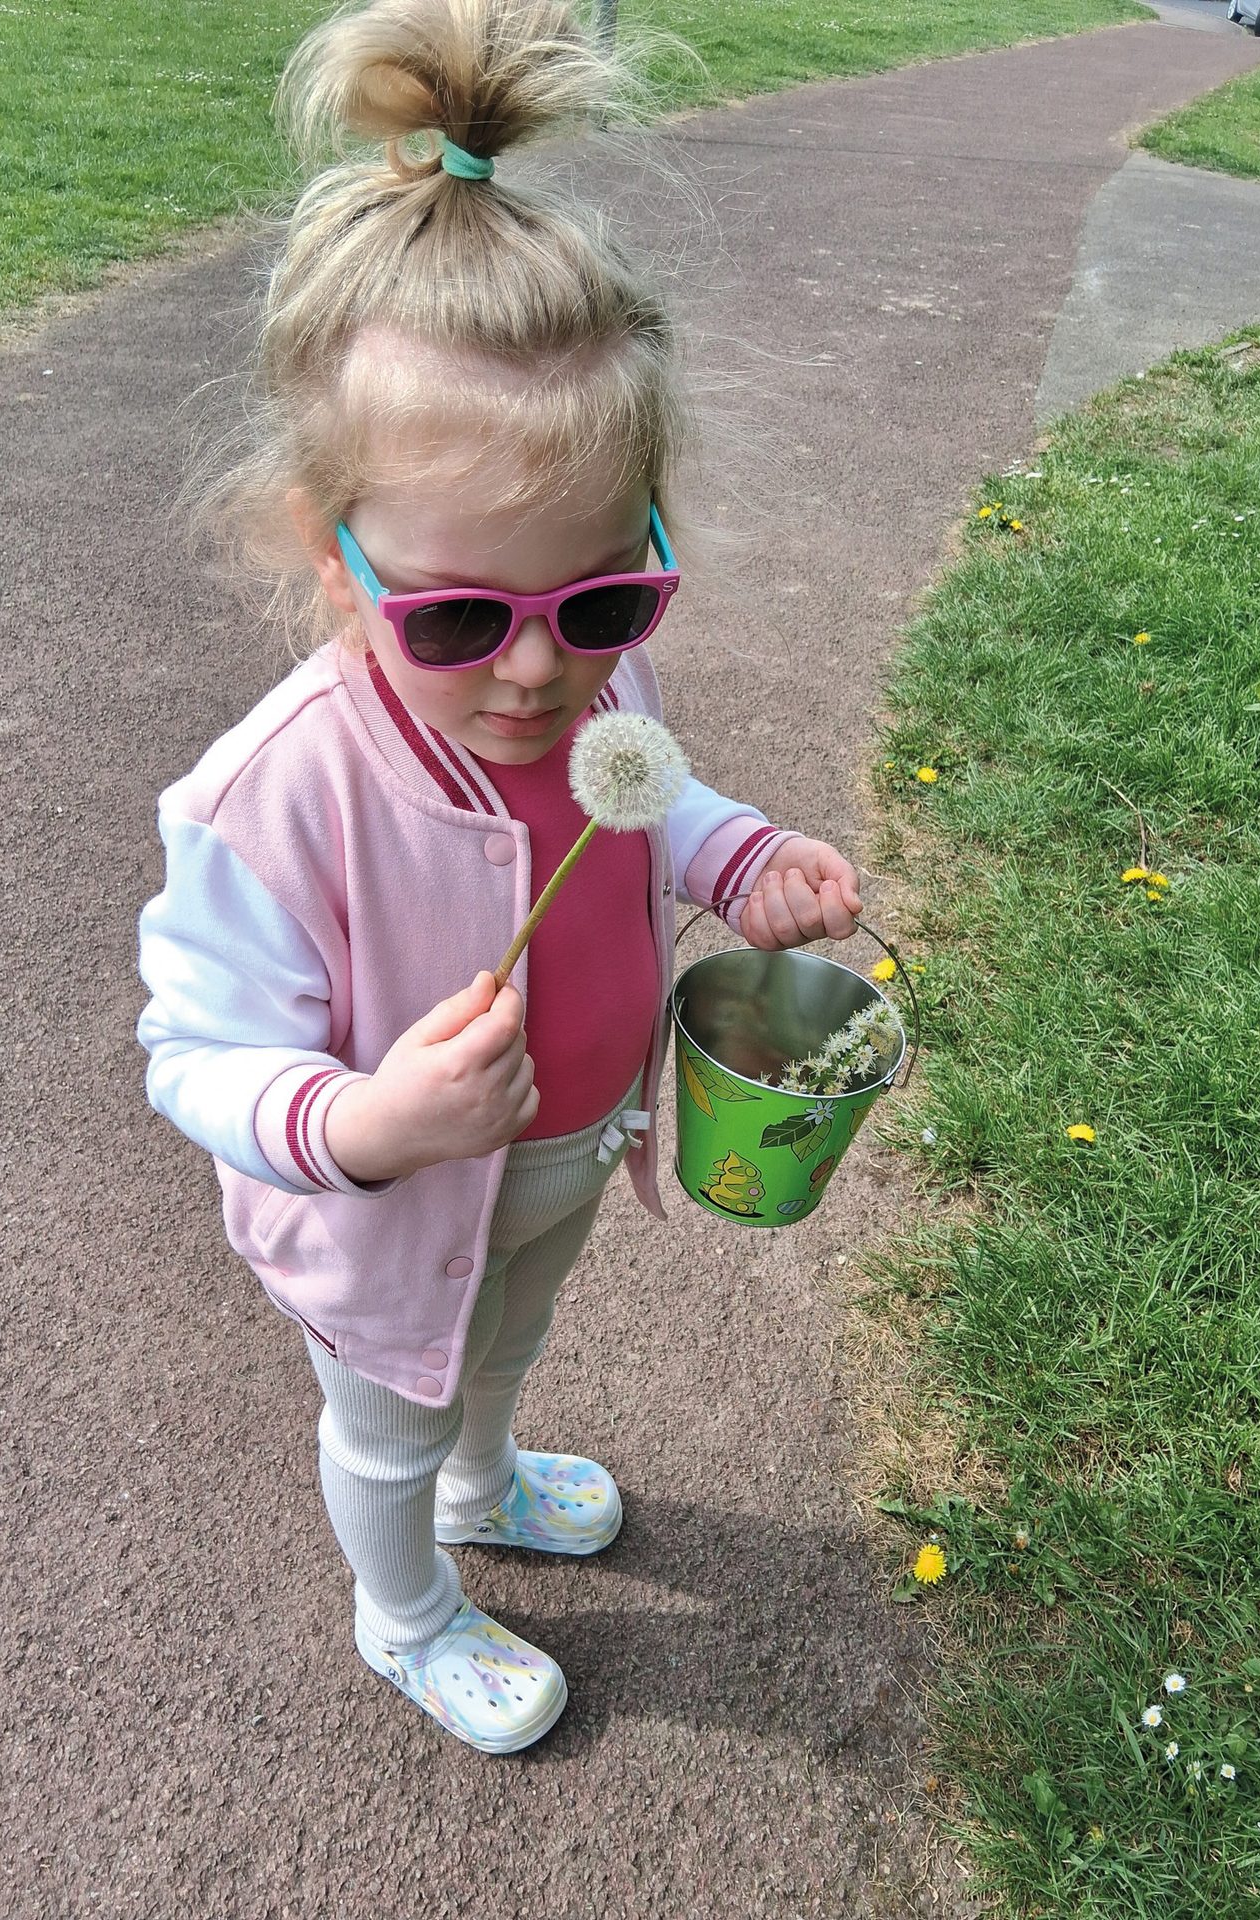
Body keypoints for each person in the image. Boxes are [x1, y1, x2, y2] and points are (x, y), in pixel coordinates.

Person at [136, 0, 863, 1755]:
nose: (542, 675)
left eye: (604, 601)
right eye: (460, 616)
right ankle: (407, 1604)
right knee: (389, 1414)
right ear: (333, 563)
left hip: (559, 1163)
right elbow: (192, 1053)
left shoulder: (602, 686)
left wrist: (739, 851)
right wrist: (372, 1124)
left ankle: (485, 1480)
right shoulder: (272, 798)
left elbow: (651, 802)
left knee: (511, 1346)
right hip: (395, 1211)